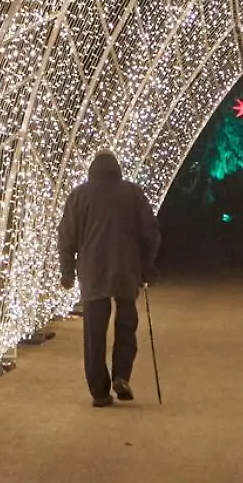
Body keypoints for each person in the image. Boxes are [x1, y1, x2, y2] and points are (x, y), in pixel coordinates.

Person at [58, 151, 160, 406]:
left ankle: (100, 392)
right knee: (126, 325)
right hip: (126, 269)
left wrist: (67, 271)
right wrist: (147, 265)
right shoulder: (133, 193)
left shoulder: (79, 196)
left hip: (93, 272)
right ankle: (121, 375)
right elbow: (151, 232)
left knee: (94, 334)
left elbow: (67, 237)